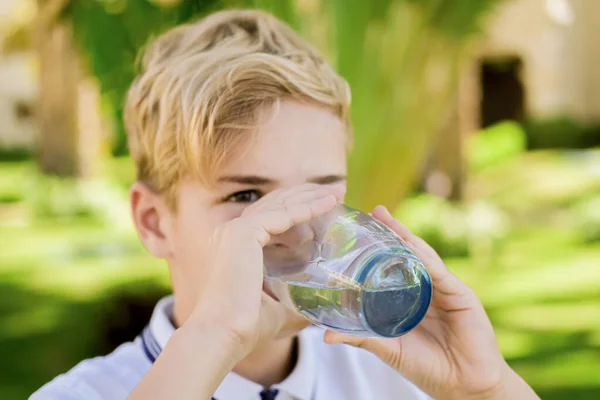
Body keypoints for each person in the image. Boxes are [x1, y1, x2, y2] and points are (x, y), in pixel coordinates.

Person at [31, 9, 540, 400]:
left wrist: (484, 388)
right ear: (154, 222)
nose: (296, 231)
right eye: (246, 196)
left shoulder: (391, 377)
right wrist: (219, 335)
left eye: (319, 194)